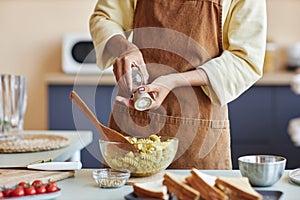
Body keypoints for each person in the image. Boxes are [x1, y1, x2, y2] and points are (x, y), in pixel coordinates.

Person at [89, 0, 267, 169]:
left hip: (200, 131)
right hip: (134, 119)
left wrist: (174, 80)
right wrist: (125, 49)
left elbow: (245, 58)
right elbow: (104, 18)